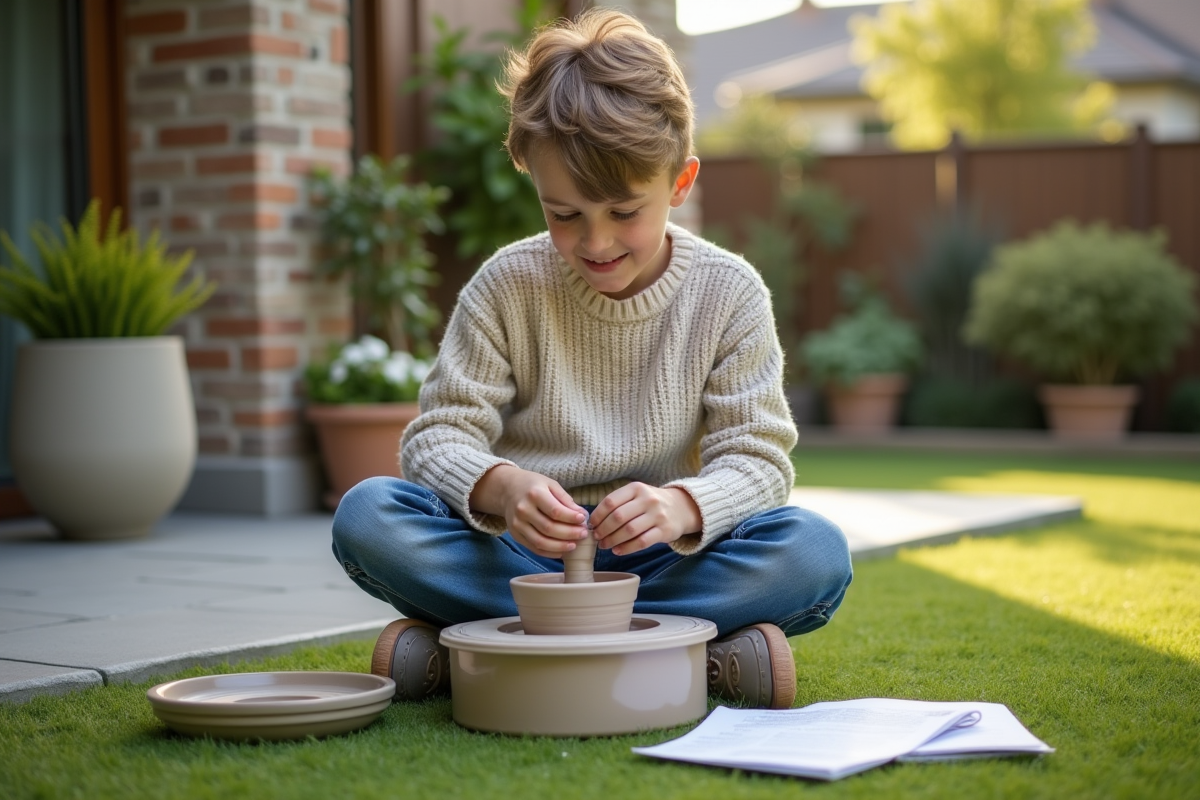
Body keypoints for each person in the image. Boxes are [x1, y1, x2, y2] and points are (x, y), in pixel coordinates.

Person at [331, 8, 852, 710]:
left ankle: (490, 652)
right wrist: (504, 488)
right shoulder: (507, 284)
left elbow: (759, 463)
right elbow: (436, 437)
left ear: (680, 183)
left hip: (667, 564)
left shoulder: (729, 293)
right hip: (523, 562)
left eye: (623, 211)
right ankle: (686, 656)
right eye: (564, 214)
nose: (595, 242)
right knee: (367, 515)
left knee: (814, 552)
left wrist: (680, 505)